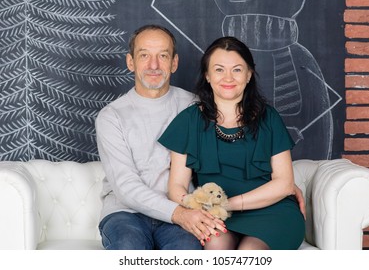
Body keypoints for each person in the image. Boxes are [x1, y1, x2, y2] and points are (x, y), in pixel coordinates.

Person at [158, 36, 306, 250]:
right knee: (216, 247)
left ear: (249, 75)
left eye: (237, 69)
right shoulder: (188, 120)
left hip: (272, 212)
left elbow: (283, 184)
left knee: (249, 253)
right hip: (216, 214)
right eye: (219, 70)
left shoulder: (269, 118)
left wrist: (226, 204)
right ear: (208, 76)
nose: (228, 77)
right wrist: (197, 209)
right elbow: (176, 186)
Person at [95, 24, 227, 250]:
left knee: (187, 253)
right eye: (144, 55)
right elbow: (126, 187)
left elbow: (231, 153)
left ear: (174, 63)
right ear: (130, 62)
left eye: (162, 56)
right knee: (128, 248)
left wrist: (280, 183)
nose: (153, 65)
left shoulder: (196, 107)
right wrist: (179, 215)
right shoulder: (111, 116)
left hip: (182, 209)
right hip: (126, 214)